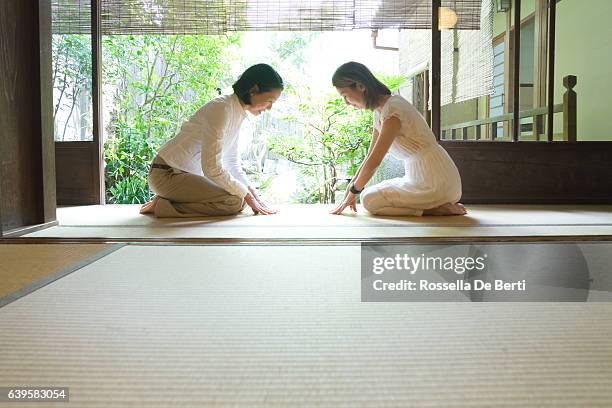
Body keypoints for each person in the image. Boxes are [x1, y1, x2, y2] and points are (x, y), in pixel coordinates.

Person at [140, 64, 283, 217]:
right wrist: (246, 195)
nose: (269, 108)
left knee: (240, 197)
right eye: (270, 101)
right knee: (234, 202)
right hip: (167, 174)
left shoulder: (237, 112)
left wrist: (251, 191)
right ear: (254, 90)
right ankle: (163, 205)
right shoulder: (222, 108)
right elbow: (211, 167)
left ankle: (171, 200)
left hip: (186, 177)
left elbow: (231, 162)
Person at [330, 61, 466, 216]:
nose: (346, 103)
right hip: (416, 177)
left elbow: (375, 161)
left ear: (360, 86)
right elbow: (369, 156)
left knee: (369, 200)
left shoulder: (393, 108)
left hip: (436, 180)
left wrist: (354, 191)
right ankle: (430, 207)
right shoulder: (379, 112)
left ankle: (434, 209)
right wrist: (351, 190)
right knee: (368, 196)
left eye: (345, 96)